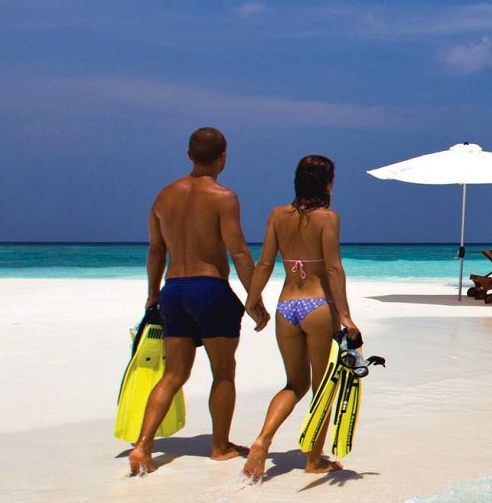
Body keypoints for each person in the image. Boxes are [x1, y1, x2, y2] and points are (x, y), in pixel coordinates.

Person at [127, 127, 265, 477]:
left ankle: (143, 446)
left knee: (174, 374)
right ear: (223, 157)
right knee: (223, 372)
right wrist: (254, 299)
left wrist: (152, 293)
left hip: (174, 289)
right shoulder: (223, 196)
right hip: (210, 289)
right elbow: (237, 251)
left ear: (188, 155)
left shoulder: (163, 196)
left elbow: (156, 250)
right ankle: (219, 446)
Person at [242, 154, 361, 482]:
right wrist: (347, 317)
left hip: (286, 308)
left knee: (294, 384)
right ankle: (313, 460)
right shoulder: (328, 218)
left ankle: (262, 440)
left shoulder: (277, 215)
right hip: (318, 306)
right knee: (322, 387)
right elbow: (334, 267)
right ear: (328, 183)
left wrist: (251, 302)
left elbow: (264, 263)